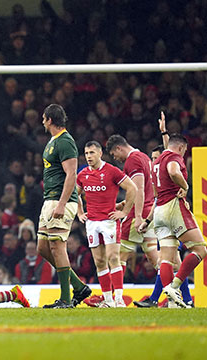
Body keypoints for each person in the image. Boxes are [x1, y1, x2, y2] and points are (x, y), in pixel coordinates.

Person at [138, 133, 207, 308]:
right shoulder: (175, 157)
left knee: (167, 259)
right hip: (173, 207)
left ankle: (173, 303)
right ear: (182, 147)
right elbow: (173, 171)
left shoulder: (156, 162)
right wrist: (185, 186)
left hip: (159, 210)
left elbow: (155, 191)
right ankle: (174, 287)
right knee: (200, 249)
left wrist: (163, 131)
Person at [38, 104, 91, 308]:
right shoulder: (53, 141)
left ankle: (66, 299)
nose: (43, 121)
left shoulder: (66, 141)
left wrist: (61, 203)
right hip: (49, 199)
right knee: (43, 248)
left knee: (57, 247)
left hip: (60, 201)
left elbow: (71, 174)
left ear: (50, 120)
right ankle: (79, 286)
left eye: (44, 118)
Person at [76, 141, 137, 307]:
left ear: (100, 153)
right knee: (100, 262)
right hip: (92, 223)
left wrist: (124, 212)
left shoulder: (112, 171)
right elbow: (75, 195)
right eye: (86, 153)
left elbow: (132, 188)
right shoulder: (82, 175)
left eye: (92, 153)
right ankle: (108, 300)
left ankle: (119, 300)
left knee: (113, 257)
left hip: (109, 221)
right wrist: (80, 213)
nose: (89, 156)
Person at [106, 134, 161, 304]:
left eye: (115, 155)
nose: (117, 159)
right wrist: (123, 203)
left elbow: (138, 189)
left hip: (138, 213)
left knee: (117, 257)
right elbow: (144, 188)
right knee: (155, 258)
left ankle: (114, 298)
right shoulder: (144, 157)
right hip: (149, 210)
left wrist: (137, 216)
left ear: (119, 148)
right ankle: (178, 289)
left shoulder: (133, 160)